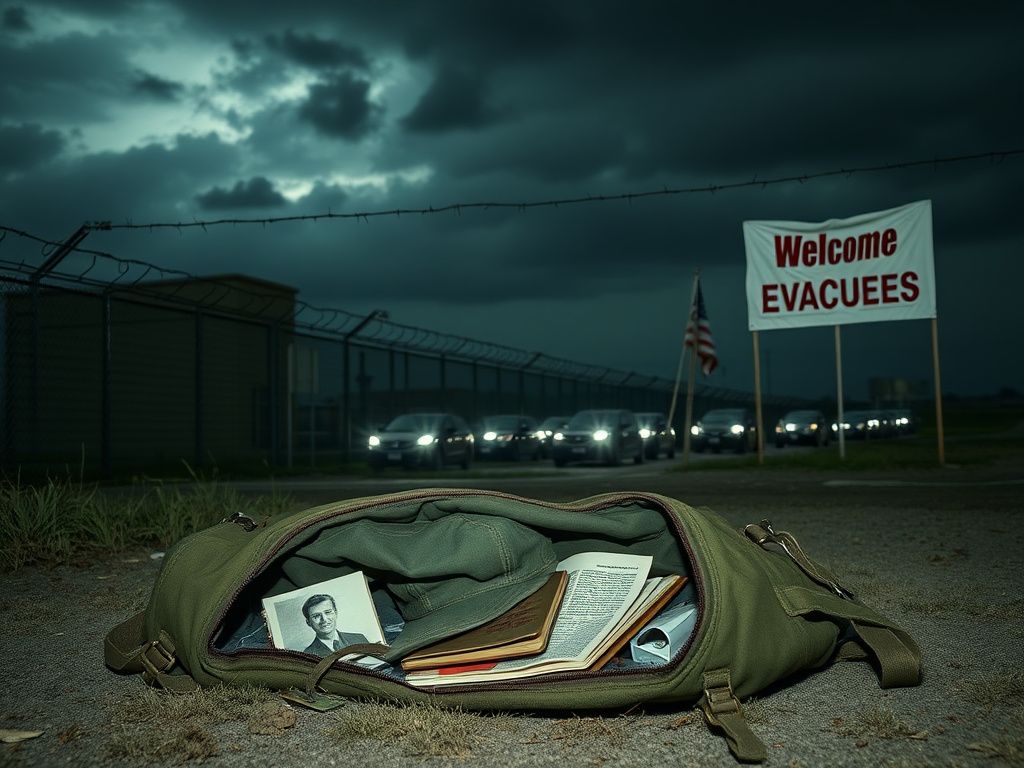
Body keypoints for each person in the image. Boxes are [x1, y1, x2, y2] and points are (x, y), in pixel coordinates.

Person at [301, 594, 369, 656]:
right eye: (316, 616)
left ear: (336, 613)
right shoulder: (308, 655)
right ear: (308, 622)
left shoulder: (359, 639)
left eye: (328, 612)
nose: (324, 619)